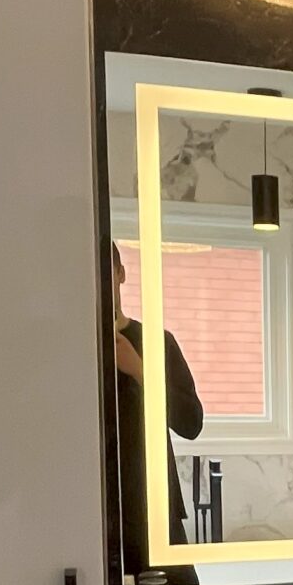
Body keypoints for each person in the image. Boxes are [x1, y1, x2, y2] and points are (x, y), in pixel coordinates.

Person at [111, 241, 204, 564]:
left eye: (105, 273)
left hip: (154, 507)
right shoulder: (67, 350)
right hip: (86, 508)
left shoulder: (157, 342)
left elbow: (191, 423)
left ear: (121, 273)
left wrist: (140, 370)